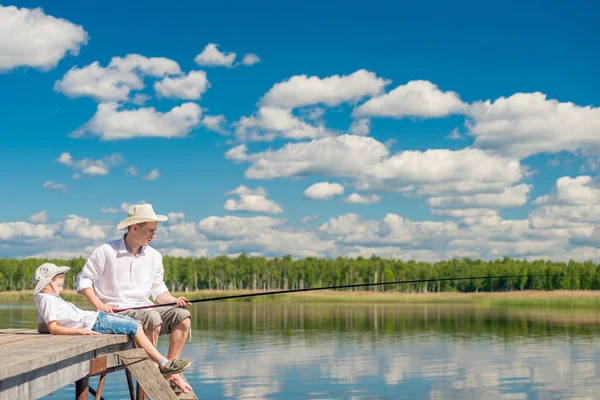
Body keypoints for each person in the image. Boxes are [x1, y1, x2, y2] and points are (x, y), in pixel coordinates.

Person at [75, 203, 193, 393]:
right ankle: (156, 364)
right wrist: (99, 304)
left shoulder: (154, 256)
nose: (154, 235)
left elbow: (159, 291)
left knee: (182, 316)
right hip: (118, 312)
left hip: (145, 308)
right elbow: (83, 281)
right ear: (135, 227)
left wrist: (174, 300)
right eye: (151, 230)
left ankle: (171, 368)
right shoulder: (106, 251)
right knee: (153, 318)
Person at [32, 262, 191, 378]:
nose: (61, 286)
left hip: (95, 319)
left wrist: (68, 326)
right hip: (95, 322)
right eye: (59, 284)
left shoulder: (46, 300)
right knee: (135, 326)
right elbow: (53, 328)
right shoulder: (47, 299)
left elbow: (43, 327)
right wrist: (79, 330)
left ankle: (160, 362)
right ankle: (164, 363)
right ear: (48, 283)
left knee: (132, 324)